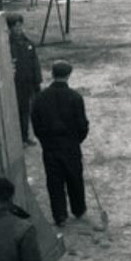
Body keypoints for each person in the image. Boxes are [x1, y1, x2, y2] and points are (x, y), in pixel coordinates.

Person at [31, 60, 89, 227]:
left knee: (54, 181)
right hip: (70, 146)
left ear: (52, 74)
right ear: (68, 75)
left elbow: (36, 124)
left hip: (50, 147)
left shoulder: (40, 97)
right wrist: (77, 141)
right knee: (75, 178)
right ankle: (78, 209)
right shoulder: (75, 97)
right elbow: (82, 125)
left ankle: (60, 216)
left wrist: (45, 141)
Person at [7, 13, 42, 146]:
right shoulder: (8, 45)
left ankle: (25, 136)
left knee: (27, 111)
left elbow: (35, 63)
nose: (19, 29)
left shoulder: (28, 42)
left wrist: (37, 81)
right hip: (16, 83)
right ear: (10, 28)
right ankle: (19, 139)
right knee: (18, 111)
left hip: (29, 83)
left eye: (20, 25)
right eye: (16, 26)